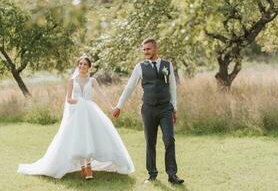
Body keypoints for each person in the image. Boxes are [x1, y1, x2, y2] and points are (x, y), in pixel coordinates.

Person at [18, 55, 134, 179]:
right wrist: (79, 102)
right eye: (80, 64)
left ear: (89, 67)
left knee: (90, 136)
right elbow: (68, 99)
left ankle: (88, 166)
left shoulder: (92, 81)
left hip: (90, 112)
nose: (82, 66)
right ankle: (82, 167)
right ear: (77, 66)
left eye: (85, 64)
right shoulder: (72, 81)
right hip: (77, 112)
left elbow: (101, 95)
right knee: (78, 137)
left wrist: (111, 108)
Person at [112, 38, 184, 184]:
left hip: (165, 108)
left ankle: (172, 175)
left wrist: (174, 107)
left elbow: (172, 87)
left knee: (169, 139)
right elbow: (129, 87)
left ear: (156, 48)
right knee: (150, 141)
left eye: (148, 49)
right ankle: (152, 174)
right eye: (144, 49)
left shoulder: (167, 65)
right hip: (148, 109)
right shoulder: (140, 67)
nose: (145, 52)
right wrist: (119, 105)